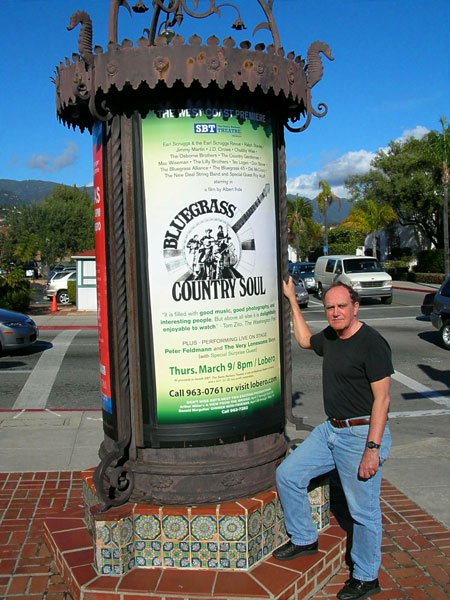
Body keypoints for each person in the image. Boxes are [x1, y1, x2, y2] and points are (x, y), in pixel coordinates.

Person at [274, 279, 393, 600]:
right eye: (330, 307)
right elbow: (302, 339)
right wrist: (291, 300)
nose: (336, 312)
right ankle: (304, 539)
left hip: (361, 434)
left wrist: (372, 448)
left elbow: (382, 400)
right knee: (288, 474)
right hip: (331, 431)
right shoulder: (331, 336)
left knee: (363, 511)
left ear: (355, 307)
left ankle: (367, 577)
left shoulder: (372, 343)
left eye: (342, 306)